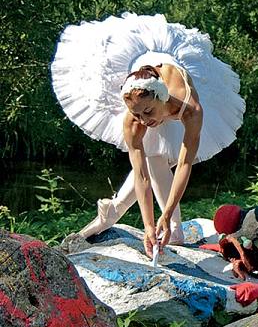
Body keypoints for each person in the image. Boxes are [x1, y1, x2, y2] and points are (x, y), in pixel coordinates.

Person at [51, 13, 245, 256]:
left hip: (172, 78)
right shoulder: (134, 119)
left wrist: (166, 214)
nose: (143, 120)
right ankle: (115, 213)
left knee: (160, 157)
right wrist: (148, 226)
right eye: (137, 114)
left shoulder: (190, 108)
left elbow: (185, 164)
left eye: (147, 112)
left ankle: (172, 228)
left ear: (162, 99)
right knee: (152, 157)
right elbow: (142, 176)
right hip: (143, 72)